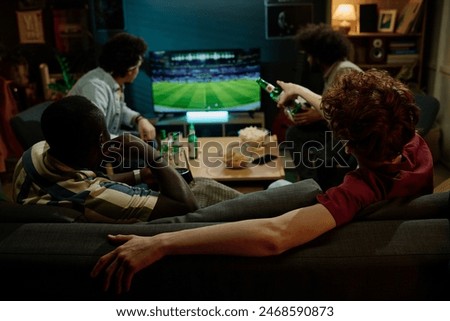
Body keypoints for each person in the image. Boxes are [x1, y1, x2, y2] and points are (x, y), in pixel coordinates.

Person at [91, 69, 433, 294]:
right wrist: (301, 91)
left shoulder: (359, 190)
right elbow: (351, 119)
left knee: (275, 189)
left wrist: (161, 243)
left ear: (346, 141)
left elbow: (275, 235)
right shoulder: (412, 142)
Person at [12, 95, 199, 223]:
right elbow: (187, 205)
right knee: (203, 186)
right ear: (102, 140)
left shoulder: (33, 153)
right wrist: (150, 153)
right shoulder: (94, 197)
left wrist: (141, 175)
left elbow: (84, 181)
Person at [285, 23, 362, 189]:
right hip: (335, 133)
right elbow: (332, 105)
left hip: (352, 137)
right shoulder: (333, 73)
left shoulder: (345, 70)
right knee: (295, 133)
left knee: (313, 150)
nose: (307, 59)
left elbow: (353, 111)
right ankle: (309, 185)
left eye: (309, 55)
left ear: (318, 55)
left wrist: (318, 115)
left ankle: (312, 188)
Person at [69, 32, 156, 141]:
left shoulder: (113, 80)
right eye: (138, 67)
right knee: (146, 147)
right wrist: (131, 142)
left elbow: (118, 109)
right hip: (88, 148)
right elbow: (95, 134)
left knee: (149, 143)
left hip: (106, 139)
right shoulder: (96, 87)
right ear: (130, 70)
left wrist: (139, 119)